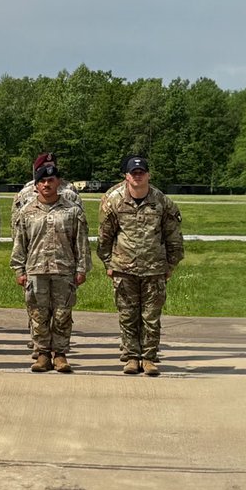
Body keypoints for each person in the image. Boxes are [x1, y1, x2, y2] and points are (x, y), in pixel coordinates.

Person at [97, 156, 184, 376]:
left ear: (148, 175)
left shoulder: (161, 201)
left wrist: (170, 265)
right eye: (133, 173)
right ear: (126, 176)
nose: (138, 176)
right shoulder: (114, 201)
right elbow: (105, 237)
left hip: (154, 269)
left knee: (151, 317)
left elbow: (173, 236)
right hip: (124, 269)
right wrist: (109, 263)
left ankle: (149, 358)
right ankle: (132, 357)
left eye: (141, 172)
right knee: (127, 316)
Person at [11, 161, 90, 373]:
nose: (46, 184)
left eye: (50, 180)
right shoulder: (27, 212)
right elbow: (20, 243)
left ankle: (61, 354)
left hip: (64, 270)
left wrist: (82, 268)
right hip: (36, 271)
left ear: (58, 183)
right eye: (42, 181)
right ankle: (43, 354)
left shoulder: (72, 211)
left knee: (63, 315)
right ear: (36, 185)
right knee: (38, 315)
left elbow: (80, 242)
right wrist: (19, 269)